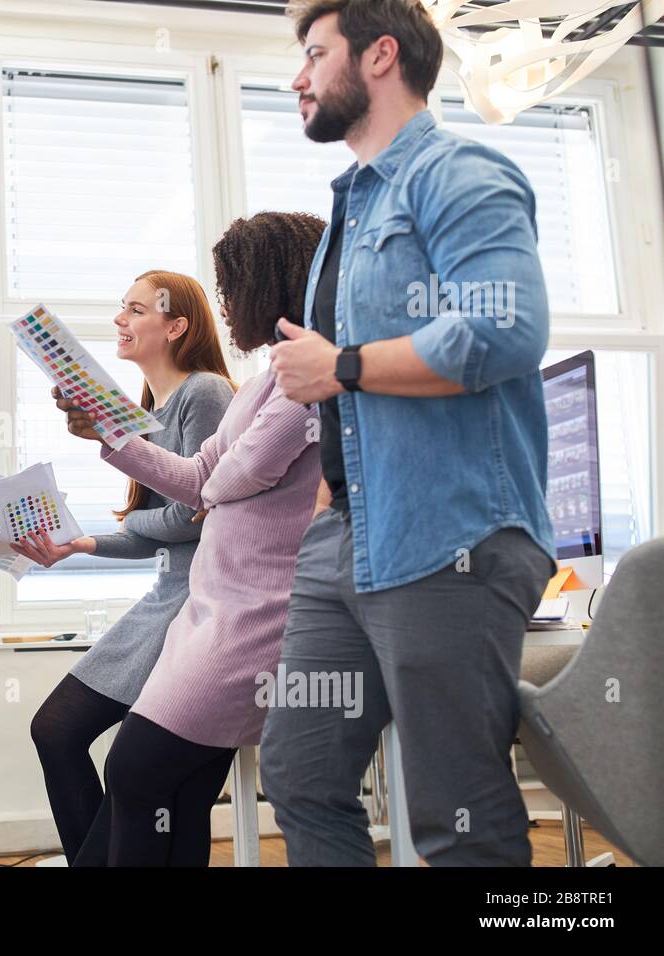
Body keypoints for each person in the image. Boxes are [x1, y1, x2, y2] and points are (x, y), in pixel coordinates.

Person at [260, 0, 557, 866]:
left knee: (455, 816)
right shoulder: (348, 211)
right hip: (347, 538)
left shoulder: (459, 174)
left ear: (380, 55)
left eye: (315, 53)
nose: (298, 77)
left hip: (448, 533)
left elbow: (504, 330)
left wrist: (343, 367)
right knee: (301, 773)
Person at [30, 213, 325, 865]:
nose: (225, 304)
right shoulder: (262, 383)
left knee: (142, 776)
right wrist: (111, 435)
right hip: (215, 611)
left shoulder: (302, 379)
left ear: (270, 286)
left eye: (232, 287)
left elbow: (234, 476)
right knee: (164, 792)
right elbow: (200, 479)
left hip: (256, 618)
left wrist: (212, 488)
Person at [14, 271, 234, 865]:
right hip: (171, 597)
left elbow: (199, 512)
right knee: (88, 749)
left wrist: (129, 527)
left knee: (126, 766)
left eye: (135, 309)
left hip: (199, 607)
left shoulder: (206, 392)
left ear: (175, 326)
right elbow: (162, 531)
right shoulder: (153, 406)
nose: (120, 320)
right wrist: (79, 544)